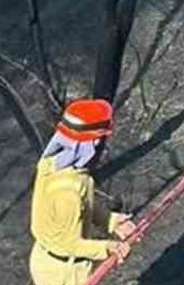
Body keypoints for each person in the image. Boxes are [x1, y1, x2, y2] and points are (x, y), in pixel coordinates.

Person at [29, 99, 136, 285]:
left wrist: (111, 221)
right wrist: (108, 247)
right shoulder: (66, 192)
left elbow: (83, 205)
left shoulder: (56, 165)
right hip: (63, 274)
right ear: (92, 142)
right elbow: (67, 244)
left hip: (56, 262)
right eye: (100, 139)